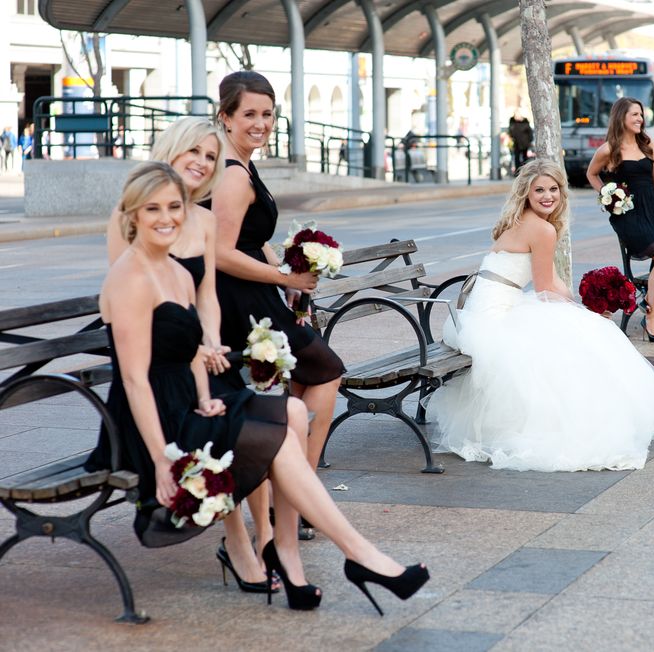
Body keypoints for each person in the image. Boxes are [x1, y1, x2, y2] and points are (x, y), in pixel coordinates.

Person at [89, 161, 428, 613]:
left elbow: (188, 352)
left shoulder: (175, 270)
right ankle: (358, 556)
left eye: (174, 207)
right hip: (150, 422)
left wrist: (206, 396)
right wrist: (162, 460)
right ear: (132, 215)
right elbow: (133, 379)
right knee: (278, 432)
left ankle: (298, 552)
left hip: (190, 400)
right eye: (153, 209)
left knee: (291, 413)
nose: (166, 217)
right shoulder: (130, 278)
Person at [106, 116, 282, 593]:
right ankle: (241, 543)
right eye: (195, 152)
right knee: (243, 424)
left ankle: (269, 539)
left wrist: (210, 341)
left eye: (211, 156)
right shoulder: (132, 215)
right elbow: (133, 301)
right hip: (155, 370)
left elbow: (206, 297)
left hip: (193, 360)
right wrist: (195, 347)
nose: (203, 162)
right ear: (172, 149)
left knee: (265, 416)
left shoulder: (202, 219)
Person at [425, 159, 654, 472]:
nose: (548, 196)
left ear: (562, 192)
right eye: (539, 190)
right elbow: (545, 287)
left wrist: (581, 304)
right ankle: (584, 421)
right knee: (587, 339)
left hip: (480, 311)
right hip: (493, 315)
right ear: (526, 194)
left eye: (553, 189)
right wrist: (584, 311)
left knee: (582, 330)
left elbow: (551, 279)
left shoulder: (521, 220)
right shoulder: (542, 229)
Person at [208, 71, 344, 543]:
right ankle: (299, 493)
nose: (260, 123)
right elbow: (221, 252)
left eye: (267, 114)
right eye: (249, 114)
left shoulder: (242, 164)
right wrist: (286, 278)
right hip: (237, 301)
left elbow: (253, 238)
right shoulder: (231, 175)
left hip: (256, 292)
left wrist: (285, 267)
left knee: (308, 378)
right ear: (225, 117)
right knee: (325, 369)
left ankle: (292, 491)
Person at [586, 97, 654, 343]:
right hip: (629, 213)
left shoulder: (647, 143)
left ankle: (647, 298)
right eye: (634, 114)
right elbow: (591, 174)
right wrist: (608, 196)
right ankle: (651, 317)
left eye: (641, 114)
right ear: (621, 116)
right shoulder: (608, 149)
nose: (640, 119)